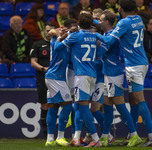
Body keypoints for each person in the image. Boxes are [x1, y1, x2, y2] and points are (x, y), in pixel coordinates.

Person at [95, 0, 152, 147]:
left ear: (120, 7)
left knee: (139, 99)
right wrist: (91, 20)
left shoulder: (123, 23)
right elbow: (114, 20)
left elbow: (109, 39)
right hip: (142, 62)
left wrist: (93, 35)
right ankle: (132, 135)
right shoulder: (138, 19)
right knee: (134, 101)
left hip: (134, 66)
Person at [54, 13, 102, 147]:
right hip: (92, 75)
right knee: (78, 106)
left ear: (79, 23)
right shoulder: (93, 36)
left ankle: (96, 139)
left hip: (81, 75)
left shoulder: (75, 36)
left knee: (83, 106)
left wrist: (63, 34)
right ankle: (76, 138)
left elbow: (57, 48)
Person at [45, 27, 73, 147]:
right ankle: (60, 137)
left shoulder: (66, 42)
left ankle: (49, 139)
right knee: (67, 105)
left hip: (53, 77)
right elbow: (51, 32)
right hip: (56, 77)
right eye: (62, 29)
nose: (64, 31)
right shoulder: (56, 39)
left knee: (53, 107)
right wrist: (56, 32)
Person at [30, 22, 55, 139]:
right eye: (47, 30)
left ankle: (59, 134)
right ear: (43, 32)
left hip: (58, 78)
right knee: (44, 105)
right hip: (42, 77)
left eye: (51, 30)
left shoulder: (59, 44)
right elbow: (33, 62)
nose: (49, 33)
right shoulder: (37, 45)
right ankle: (46, 134)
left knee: (61, 105)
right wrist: (43, 69)